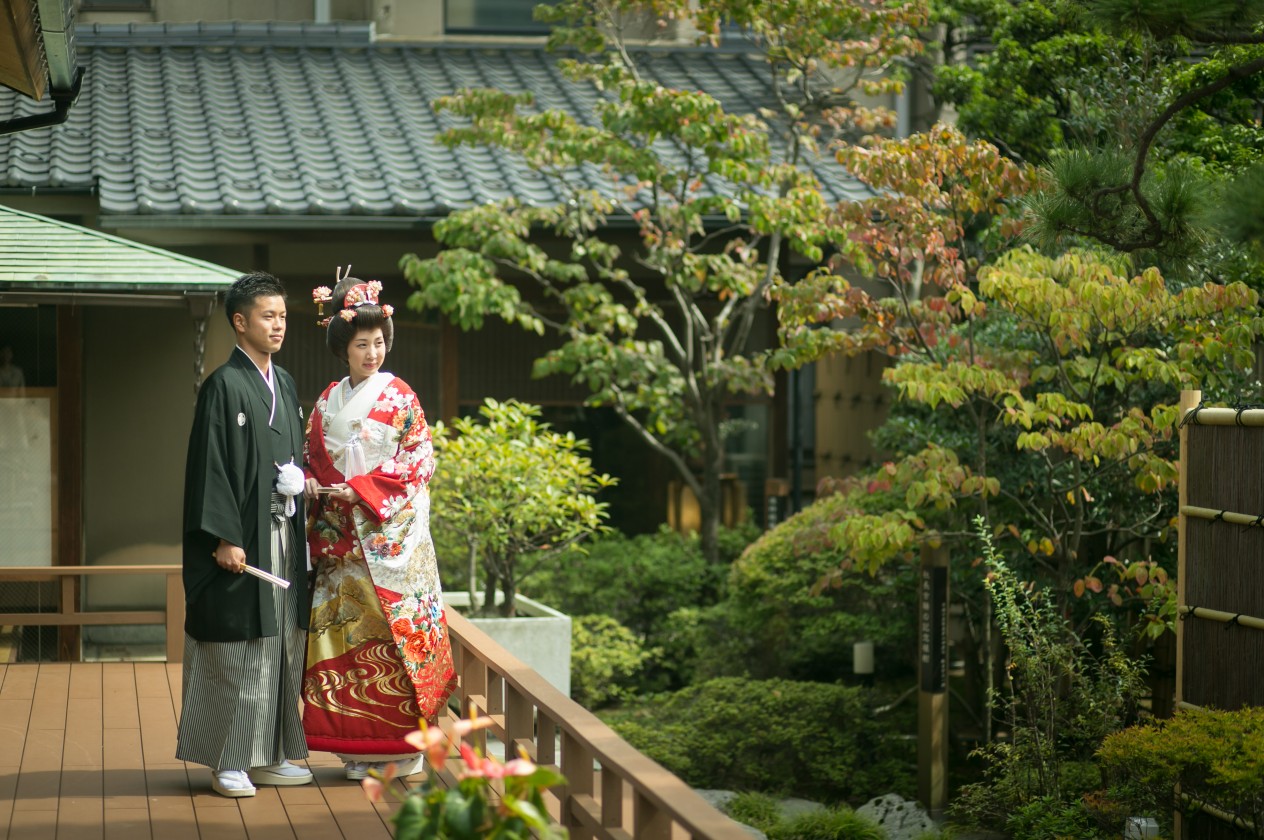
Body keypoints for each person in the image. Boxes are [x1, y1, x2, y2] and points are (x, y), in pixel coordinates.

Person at [302, 269, 456, 781]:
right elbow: (314, 459)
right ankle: (356, 749)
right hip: (343, 545)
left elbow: (418, 461)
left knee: (393, 644)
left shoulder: (401, 396)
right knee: (346, 644)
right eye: (362, 344)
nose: (373, 353)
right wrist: (307, 483)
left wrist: (363, 492)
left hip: (391, 544)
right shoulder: (326, 402)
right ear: (343, 348)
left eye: (378, 343)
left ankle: (404, 747)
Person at [176, 272, 314, 798]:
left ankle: (271, 753)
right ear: (240, 322)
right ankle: (228, 760)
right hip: (242, 545)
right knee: (238, 648)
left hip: (282, 536)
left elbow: (290, 455)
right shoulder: (223, 385)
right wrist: (224, 536)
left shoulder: (287, 383)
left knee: (280, 646)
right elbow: (210, 468)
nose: (278, 324)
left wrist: (300, 480)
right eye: (267, 315)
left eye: (282, 315)